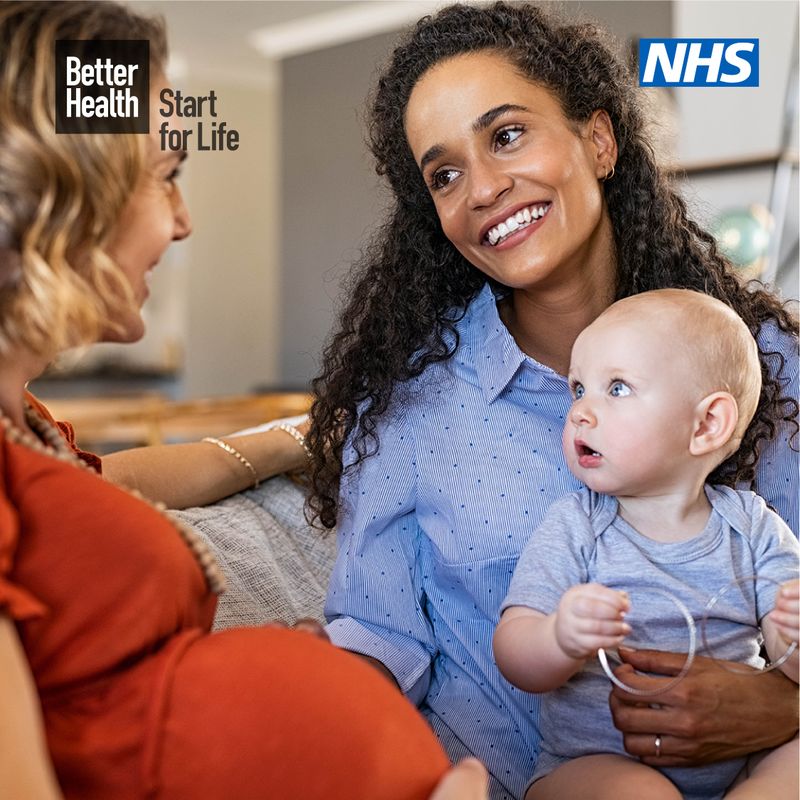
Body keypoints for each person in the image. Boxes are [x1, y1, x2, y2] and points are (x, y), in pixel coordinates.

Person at [307, 3, 799, 798]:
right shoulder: (406, 411)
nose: (485, 188)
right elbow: (378, 642)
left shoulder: (758, 363)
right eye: (445, 173)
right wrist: (304, 685)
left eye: (506, 136)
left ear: (598, 141)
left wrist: (780, 705)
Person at [0, 2, 489, 798]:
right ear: (67, 189)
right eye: (167, 176)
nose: (185, 221)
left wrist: (293, 438)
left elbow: (103, 488)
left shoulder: (24, 431)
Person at [494, 289, 799, 800]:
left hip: (736, 759)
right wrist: (559, 638)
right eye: (577, 389)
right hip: (593, 767)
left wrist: (793, 636)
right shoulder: (578, 524)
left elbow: (791, 665)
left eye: (616, 389)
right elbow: (513, 654)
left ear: (706, 424)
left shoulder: (751, 526)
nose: (580, 413)